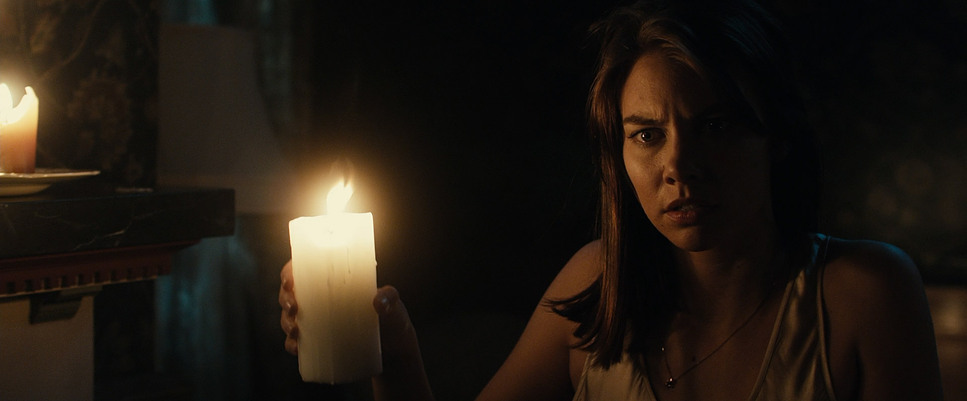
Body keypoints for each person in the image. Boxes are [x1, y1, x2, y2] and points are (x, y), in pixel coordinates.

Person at [279, 0, 945, 399]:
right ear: (619, 154)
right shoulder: (594, 287)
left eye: (713, 127)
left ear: (773, 136)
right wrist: (390, 349)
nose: (677, 166)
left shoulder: (862, 293)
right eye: (647, 135)